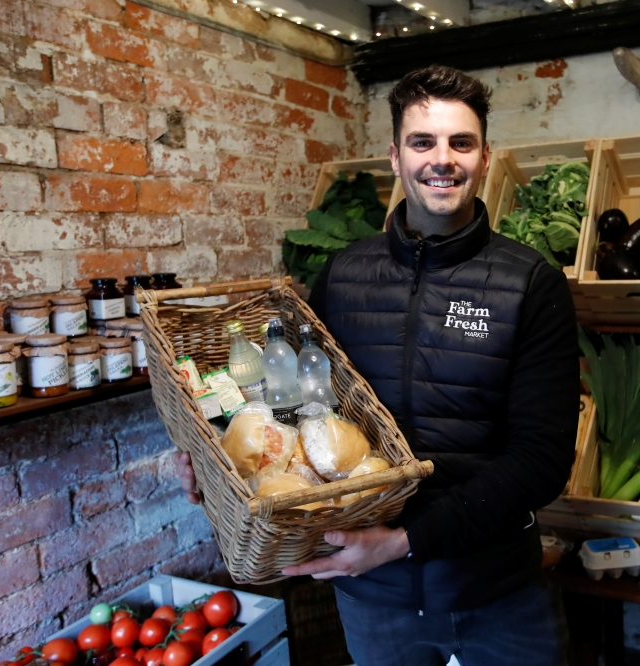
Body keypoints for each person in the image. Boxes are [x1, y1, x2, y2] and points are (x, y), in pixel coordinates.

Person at [174, 65, 579, 666]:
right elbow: (293, 409)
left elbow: (542, 463)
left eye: (460, 143)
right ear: (395, 157)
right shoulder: (343, 275)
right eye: (423, 142)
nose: (442, 159)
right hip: (373, 598)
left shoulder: (530, 283)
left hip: (495, 591)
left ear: (485, 158)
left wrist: (404, 542)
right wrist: (222, 461)